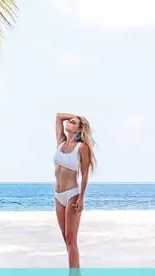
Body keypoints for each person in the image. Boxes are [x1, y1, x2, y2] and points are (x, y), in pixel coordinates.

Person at [53, 112, 96, 269]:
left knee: (71, 238)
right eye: (69, 121)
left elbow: (84, 175)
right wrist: (78, 116)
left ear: (79, 130)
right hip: (58, 196)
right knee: (66, 238)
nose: (68, 123)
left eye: (73, 122)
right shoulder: (61, 142)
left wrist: (81, 198)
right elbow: (58, 116)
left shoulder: (82, 148)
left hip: (72, 194)